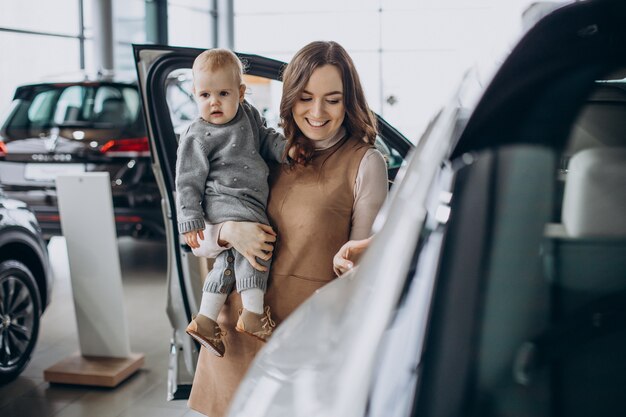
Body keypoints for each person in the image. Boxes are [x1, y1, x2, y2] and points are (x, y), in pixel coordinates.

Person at [187, 41, 389, 416]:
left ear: (350, 102)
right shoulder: (264, 148)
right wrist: (229, 230)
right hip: (237, 332)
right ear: (290, 97)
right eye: (305, 97)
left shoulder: (365, 163)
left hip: (305, 345)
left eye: (332, 99)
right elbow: (201, 246)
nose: (316, 112)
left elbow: (361, 268)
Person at [175, 48, 302, 358]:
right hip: (224, 201)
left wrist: (285, 149)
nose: (213, 102)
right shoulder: (197, 135)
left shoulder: (249, 115)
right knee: (259, 247)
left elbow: (264, 137)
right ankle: (254, 313)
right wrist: (190, 220)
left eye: (223, 93)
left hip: (248, 200)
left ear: (241, 93)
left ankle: (206, 320)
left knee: (229, 261)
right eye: (204, 94)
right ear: (194, 94)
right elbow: (187, 181)